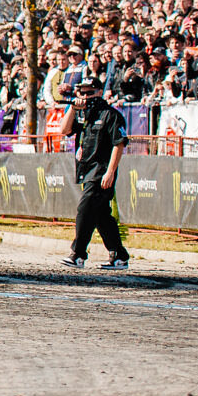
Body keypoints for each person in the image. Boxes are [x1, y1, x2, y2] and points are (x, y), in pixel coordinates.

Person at [60, 78, 129, 270]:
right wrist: (73, 108)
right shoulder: (83, 114)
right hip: (86, 170)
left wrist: (110, 172)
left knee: (85, 210)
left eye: (90, 93)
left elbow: (119, 144)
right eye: (82, 93)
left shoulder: (111, 115)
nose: (86, 96)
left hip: (101, 172)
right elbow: (64, 130)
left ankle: (78, 254)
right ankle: (119, 256)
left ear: (99, 92)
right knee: (101, 216)